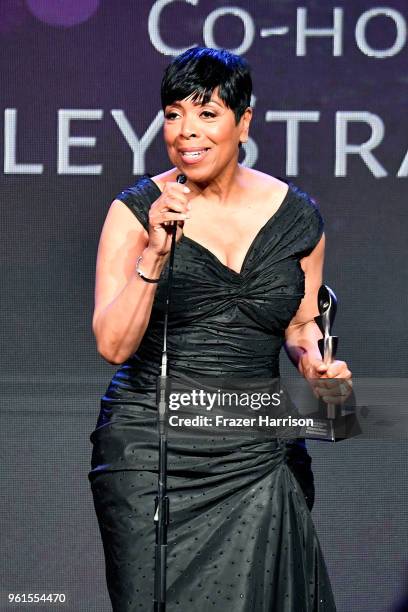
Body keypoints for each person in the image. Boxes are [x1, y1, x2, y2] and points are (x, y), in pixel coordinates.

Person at [88, 46, 352, 611]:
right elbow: (112, 345)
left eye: (206, 113)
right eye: (174, 114)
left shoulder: (297, 216)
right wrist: (156, 253)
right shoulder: (136, 212)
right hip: (155, 453)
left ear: (244, 121)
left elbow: (302, 324)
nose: (187, 132)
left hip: (258, 452)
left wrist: (317, 368)